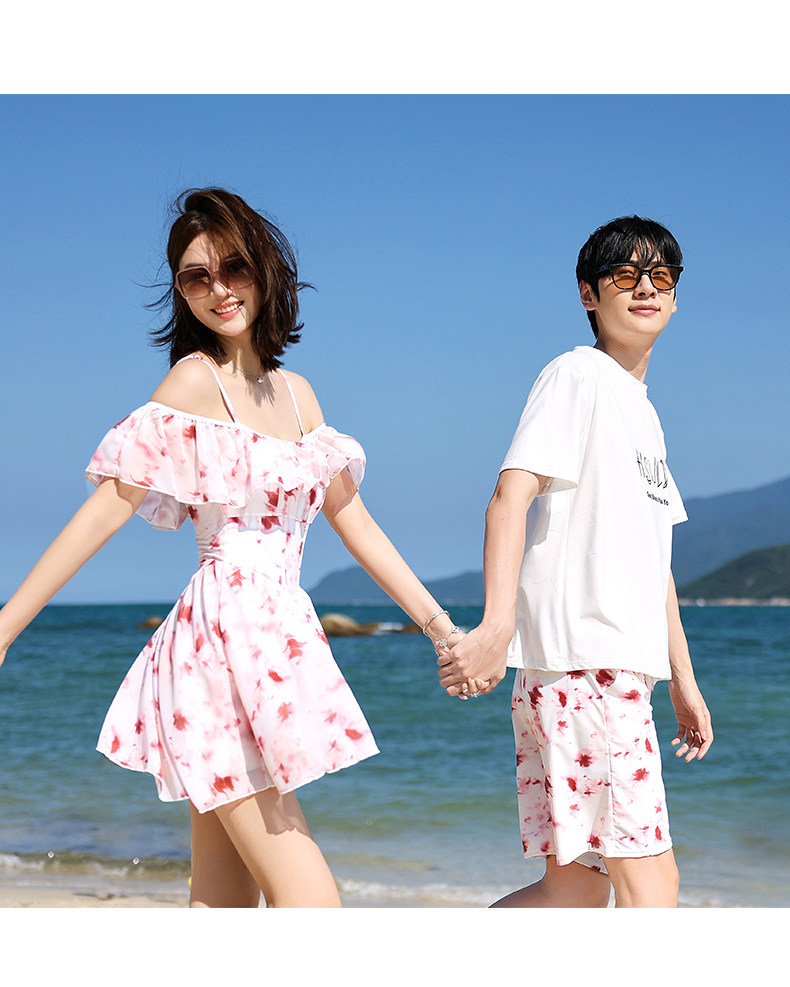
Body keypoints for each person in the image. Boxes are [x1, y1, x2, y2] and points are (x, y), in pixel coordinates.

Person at [0, 187, 476, 908]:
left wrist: (442, 628)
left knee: (222, 906)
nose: (219, 289)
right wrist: (7, 626)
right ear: (181, 291)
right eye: (197, 277)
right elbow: (102, 516)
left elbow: (357, 524)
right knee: (313, 906)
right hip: (217, 649)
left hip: (275, 645)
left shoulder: (299, 396)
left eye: (233, 267)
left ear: (264, 268)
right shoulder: (195, 383)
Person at [437, 215, 713, 908]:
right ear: (589, 294)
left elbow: (655, 563)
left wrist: (682, 680)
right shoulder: (577, 374)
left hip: (603, 673)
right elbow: (510, 497)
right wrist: (496, 625)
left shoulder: (644, 413)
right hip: (586, 667)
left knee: (571, 898)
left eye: (661, 277)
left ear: (676, 296)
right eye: (625, 275)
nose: (645, 288)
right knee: (653, 886)